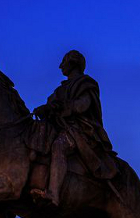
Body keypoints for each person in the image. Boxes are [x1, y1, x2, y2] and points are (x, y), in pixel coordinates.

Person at [31, 50, 117, 207]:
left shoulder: (86, 83)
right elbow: (52, 106)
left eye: (63, 62)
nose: (60, 66)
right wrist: (45, 109)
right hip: (60, 127)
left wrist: (60, 108)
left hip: (81, 130)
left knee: (59, 146)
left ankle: (53, 194)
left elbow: (82, 105)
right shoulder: (60, 89)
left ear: (73, 63)